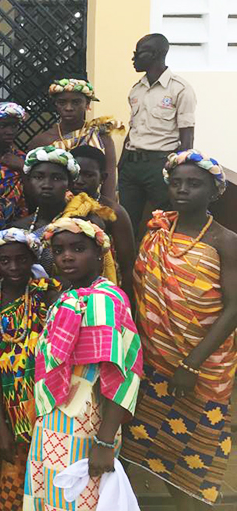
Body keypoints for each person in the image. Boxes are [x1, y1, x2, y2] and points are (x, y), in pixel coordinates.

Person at [121, 150, 237, 509]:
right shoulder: (156, 231)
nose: (182, 190)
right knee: (146, 447)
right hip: (154, 361)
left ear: (214, 191)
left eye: (194, 184)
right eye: (176, 183)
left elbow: (233, 307)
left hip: (203, 368)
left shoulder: (225, 240)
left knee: (197, 462)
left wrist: (191, 365)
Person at [24, 218, 143, 511]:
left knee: (77, 499)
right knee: (53, 497)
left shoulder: (103, 300)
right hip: (56, 418)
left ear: (100, 254)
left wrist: (103, 443)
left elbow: (118, 375)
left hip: (87, 423)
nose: (66, 256)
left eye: (78, 248)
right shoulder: (69, 296)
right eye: (59, 249)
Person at [0, 228, 59, 511]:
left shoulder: (48, 293)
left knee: (50, 477)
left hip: (48, 402)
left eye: (21, 260)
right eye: (5, 261)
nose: (14, 267)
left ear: (32, 259)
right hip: (11, 408)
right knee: (13, 482)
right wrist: (0, 424)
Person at [119, 33, 197, 237]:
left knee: (166, 220)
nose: (133, 58)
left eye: (139, 53)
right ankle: (127, 266)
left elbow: (187, 135)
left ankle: (162, 264)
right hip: (131, 164)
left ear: (155, 54)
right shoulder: (136, 90)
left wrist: (181, 172)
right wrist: (122, 163)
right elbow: (133, 129)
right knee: (125, 220)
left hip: (160, 164)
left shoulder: (180, 89)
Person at [29, 78, 123, 199]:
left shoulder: (101, 137)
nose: (69, 108)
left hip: (94, 205)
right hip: (54, 207)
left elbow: (109, 179)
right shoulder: (42, 140)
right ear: (55, 104)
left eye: (76, 102)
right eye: (62, 102)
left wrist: (106, 211)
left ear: (87, 104)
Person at [70, 145, 135, 296]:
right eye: (76, 174)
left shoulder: (113, 212)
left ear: (102, 178)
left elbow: (127, 266)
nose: (79, 181)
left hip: (103, 292)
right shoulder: (61, 204)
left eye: (88, 175)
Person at [12, 146, 80, 276]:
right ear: (27, 181)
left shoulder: (82, 223)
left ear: (70, 184)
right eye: (38, 177)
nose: (46, 185)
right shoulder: (19, 229)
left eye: (56, 178)